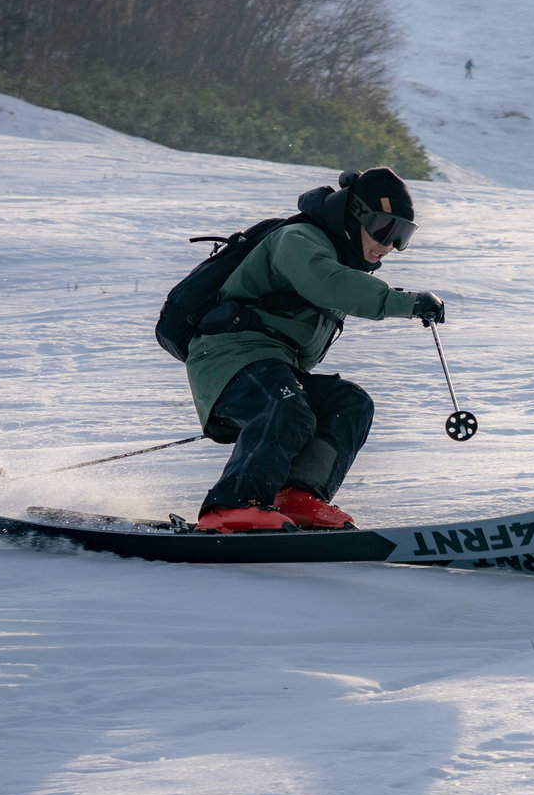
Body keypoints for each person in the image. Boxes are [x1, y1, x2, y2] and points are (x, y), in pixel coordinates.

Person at [186, 167, 444, 533]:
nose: (390, 245)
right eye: (386, 229)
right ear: (356, 215)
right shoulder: (300, 238)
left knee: (348, 403)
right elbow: (327, 283)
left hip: (269, 365)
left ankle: (297, 495)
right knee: (286, 405)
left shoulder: (339, 258)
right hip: (227, 357)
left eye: (403, 236)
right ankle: (230, 507)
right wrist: (404, 302)